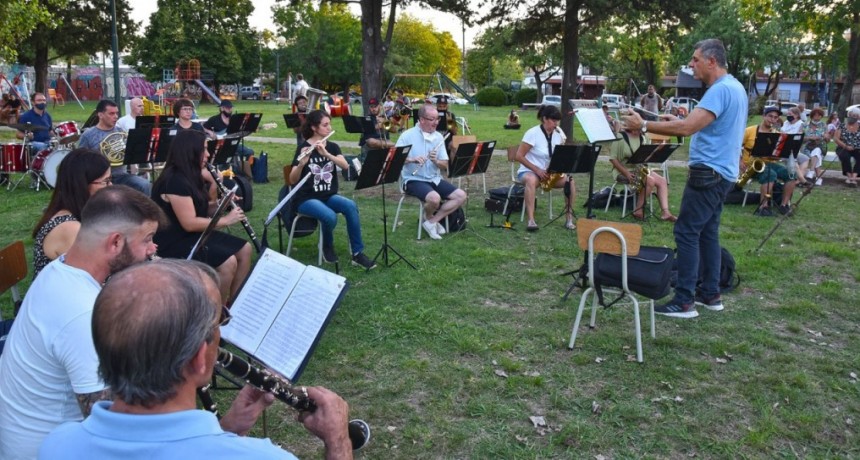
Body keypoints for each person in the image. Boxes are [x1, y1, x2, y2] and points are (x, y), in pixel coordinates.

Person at [39, 259, 354, 460]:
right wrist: (338, 441)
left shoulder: (57, 445)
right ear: (199, 359)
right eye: (219, 323)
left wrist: (227, 430)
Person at [0, 186, 164, 460]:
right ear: (115, 242)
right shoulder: (82, 313)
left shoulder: (61, 267)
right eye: (147, 239)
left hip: (27, 434)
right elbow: (109, 427)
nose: (152, 249)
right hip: (43, 449)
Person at [623, 38, 747, 319]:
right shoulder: (736, 87)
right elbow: (702, 125)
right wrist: (673, 122)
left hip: (708, 173)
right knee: (707, 232)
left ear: (711, 61)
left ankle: (684, 300)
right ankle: (711, 294)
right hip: (724, 172)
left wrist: (642, 124)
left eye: (695, 59)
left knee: (687, 232)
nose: (691, 65)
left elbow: (690, 127)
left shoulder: (719, 90)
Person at [150, 129, 252, 300]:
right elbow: (189, 222)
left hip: (194, 235)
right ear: (190, 151)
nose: (208, 153)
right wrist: (226, 220)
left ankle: (234, 305)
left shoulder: (192, 175)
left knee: (245, 249)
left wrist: (220, 204)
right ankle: (213, 314)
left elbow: (201, 210)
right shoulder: (174, 181)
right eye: (204, 149)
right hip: (174, 241)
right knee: (227, 263)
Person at [288, 110, 376, 268]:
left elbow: (344, 165)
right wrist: (301, 164)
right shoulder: (303, 148)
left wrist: (326, 153)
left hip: (328, 196)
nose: (329, 128)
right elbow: (292, 180)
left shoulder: (333, 147)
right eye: (325, 125)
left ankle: (357, 253)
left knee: (350, 206)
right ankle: (326, 246)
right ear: (314, 128)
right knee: (330, 217)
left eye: (329, 124)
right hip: (306, 199)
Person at [31, 149, 112, 278]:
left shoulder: (80, 214)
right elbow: (95, 278)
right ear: (82, 184)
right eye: (106, 181)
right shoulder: (70, 228)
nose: (110, 186)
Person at [395, 104, 468, 240]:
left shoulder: (439, 137)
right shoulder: (407, 136)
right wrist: (412, 159)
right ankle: (429, 218)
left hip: (434, 178)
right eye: (432, 119)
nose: (436, 123)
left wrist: (436, 161)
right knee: (435, 199)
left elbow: (445, 165)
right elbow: (395, 159)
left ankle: (431, 222)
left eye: (437, 119)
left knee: (461, 195)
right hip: (413, 179)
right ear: (422, 120)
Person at [514, 104, 575, 232]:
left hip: (548, 172)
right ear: (544, 119)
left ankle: (569, 218)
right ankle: (531, 220)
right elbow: (519, 156)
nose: (556, 124)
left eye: (558, 121)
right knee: (531, 180)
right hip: (529, 171)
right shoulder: (532, 133)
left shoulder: (558, 134)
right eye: (553, 120)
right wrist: (537, 170)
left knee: (570, 181)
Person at [78, 99, 152, 195]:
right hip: (99, 179)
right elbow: (80, 160)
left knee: (144, 185)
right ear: (100, 115)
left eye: (116, 113)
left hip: (121, 175)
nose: (116, 117)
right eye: (111, 114)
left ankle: (145, 210)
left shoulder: (120, 131)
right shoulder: (88, 135)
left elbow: (130, 153)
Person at [609, 127, 677, 222]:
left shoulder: (643, 137)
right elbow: (613, 159)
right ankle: (638, 210)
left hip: (640, 169)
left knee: (662, 181)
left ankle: (665, 212)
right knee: (650, 180)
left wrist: (657, 149)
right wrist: (627, 173)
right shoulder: (620, 136)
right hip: (623, 171)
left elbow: (644, 157)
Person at [741, 106, 797, 217]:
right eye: (770, 116)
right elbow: (735, 147)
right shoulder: (749, 130)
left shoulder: (776, 134)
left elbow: (777, 157)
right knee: (770, 174)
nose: (772, 119)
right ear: (764, 116)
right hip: (751, 164)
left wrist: (782, 153)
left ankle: (784, 205)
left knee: (791, 174)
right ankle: (763, 206)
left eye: (775, 118)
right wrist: (739, 162)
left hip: (769, 163)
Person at [780, 106, 812, 187]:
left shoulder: (801, 124)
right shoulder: (786, 123)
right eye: (787, 114)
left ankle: (797, 181)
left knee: (805, 159)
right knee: (792, 157)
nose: (788, 116)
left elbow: (799, 137)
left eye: (790, 114)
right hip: (783, 147)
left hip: (794, 148)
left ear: (797, 115)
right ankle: (803, 181)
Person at [358, 97, 394, 162]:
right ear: (369, 108)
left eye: (375, 106)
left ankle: (389, 145)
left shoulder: (384, 117)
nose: (373, 109)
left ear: (379, 106)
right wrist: (380, 125)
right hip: (372, 141)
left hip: (383, 140)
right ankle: (392, 145)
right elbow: (369, 130)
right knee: (371, 141)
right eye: (371, 107)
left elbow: (394, 130)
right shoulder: (367, 118)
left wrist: (387, 122)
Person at [801, 107, 827, 185]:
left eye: (819, 115)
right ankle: (819, 178)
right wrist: (810, 138)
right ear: (812, 116)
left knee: (817, 150)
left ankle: (811, 171)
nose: (818, 117)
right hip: (806, 147)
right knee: (816, 155)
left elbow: (827, 138)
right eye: (816, 115)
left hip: (820, 145)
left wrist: (825, 137)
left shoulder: (824, 125)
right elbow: (800, 138)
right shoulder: (805, 124)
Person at [834, 113, 860, 186]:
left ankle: (854, 177)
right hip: (843, 147)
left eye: (854, 116)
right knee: (845, 156)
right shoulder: (841, 126)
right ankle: (849, 177)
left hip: (857, 148)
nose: (852, 117)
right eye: (850, 115)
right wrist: (845, 146)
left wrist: (856, 146)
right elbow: (836, 139)